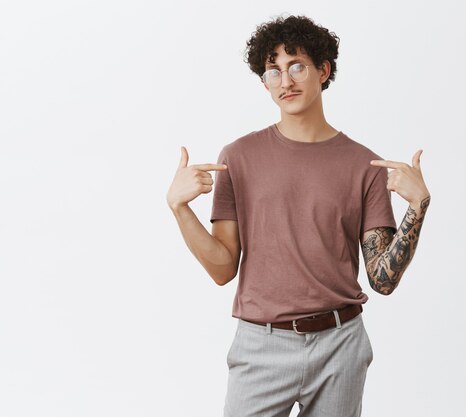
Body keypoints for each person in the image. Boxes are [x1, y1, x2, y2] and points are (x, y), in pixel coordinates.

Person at [166, 14, 431, 417]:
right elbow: (223, 268)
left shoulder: (364, 165)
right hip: (261, 345)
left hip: (340, 346)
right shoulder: (238, 158)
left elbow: (383, 279)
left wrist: (417, 208)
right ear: (264, 81)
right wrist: (180, 208)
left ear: (323, 70)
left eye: (297, 66)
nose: (285, 81)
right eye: (273, 71)